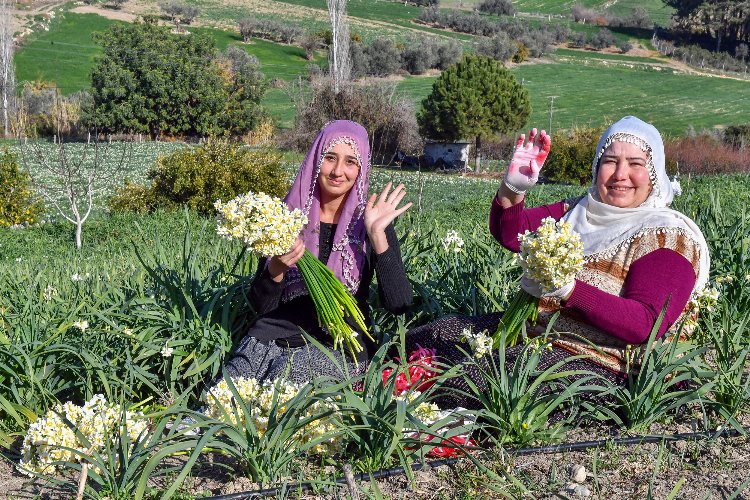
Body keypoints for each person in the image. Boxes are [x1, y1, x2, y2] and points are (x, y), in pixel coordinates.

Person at [405, 116, 710, 410]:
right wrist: (514, 188)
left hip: (602, 365)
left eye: (635, 164)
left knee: (470, 380)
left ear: (654, 173)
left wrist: (568, 290)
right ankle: (373, 379)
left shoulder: (666, 236)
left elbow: (645, 324)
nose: (620, 174)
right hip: (540, 335)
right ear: (596, 167)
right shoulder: (579, 210)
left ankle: (399, 402)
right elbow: (513, 235)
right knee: (436, 334)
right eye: (610, 161)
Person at [223, 120, 414, 384]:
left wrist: (378, 235)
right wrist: (277, 266)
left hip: (341, 344)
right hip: (274, 335)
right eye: (330, 158)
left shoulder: (369, 222)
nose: (338, 171)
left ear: (361, 168)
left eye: (350, 162)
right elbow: (262, 306)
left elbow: (399, 304)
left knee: (284, 381)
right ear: (315, 159)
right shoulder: (285, 218)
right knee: (223, 392)